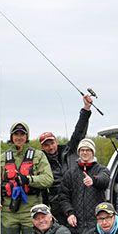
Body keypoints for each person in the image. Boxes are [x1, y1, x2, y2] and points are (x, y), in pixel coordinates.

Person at [57, 138, 111, 234]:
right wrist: (69, 213)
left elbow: (105, 181)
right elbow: (63, 196)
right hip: (77, 226)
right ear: (78, 153)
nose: (85, 153)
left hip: (95, 226)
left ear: (93, 152)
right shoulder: (71, 173)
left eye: (88, 150)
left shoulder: (101, 169)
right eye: (82, 150)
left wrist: (93, 180)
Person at [39, 94, 94, 223]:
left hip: (77, 201)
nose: (50, 147)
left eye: (52, 143)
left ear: (56, 142)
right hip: (57, 206)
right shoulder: (41, 161)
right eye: (46, 145)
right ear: (42, 147)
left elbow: (79, 132)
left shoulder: (69, 151)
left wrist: (86, 108)